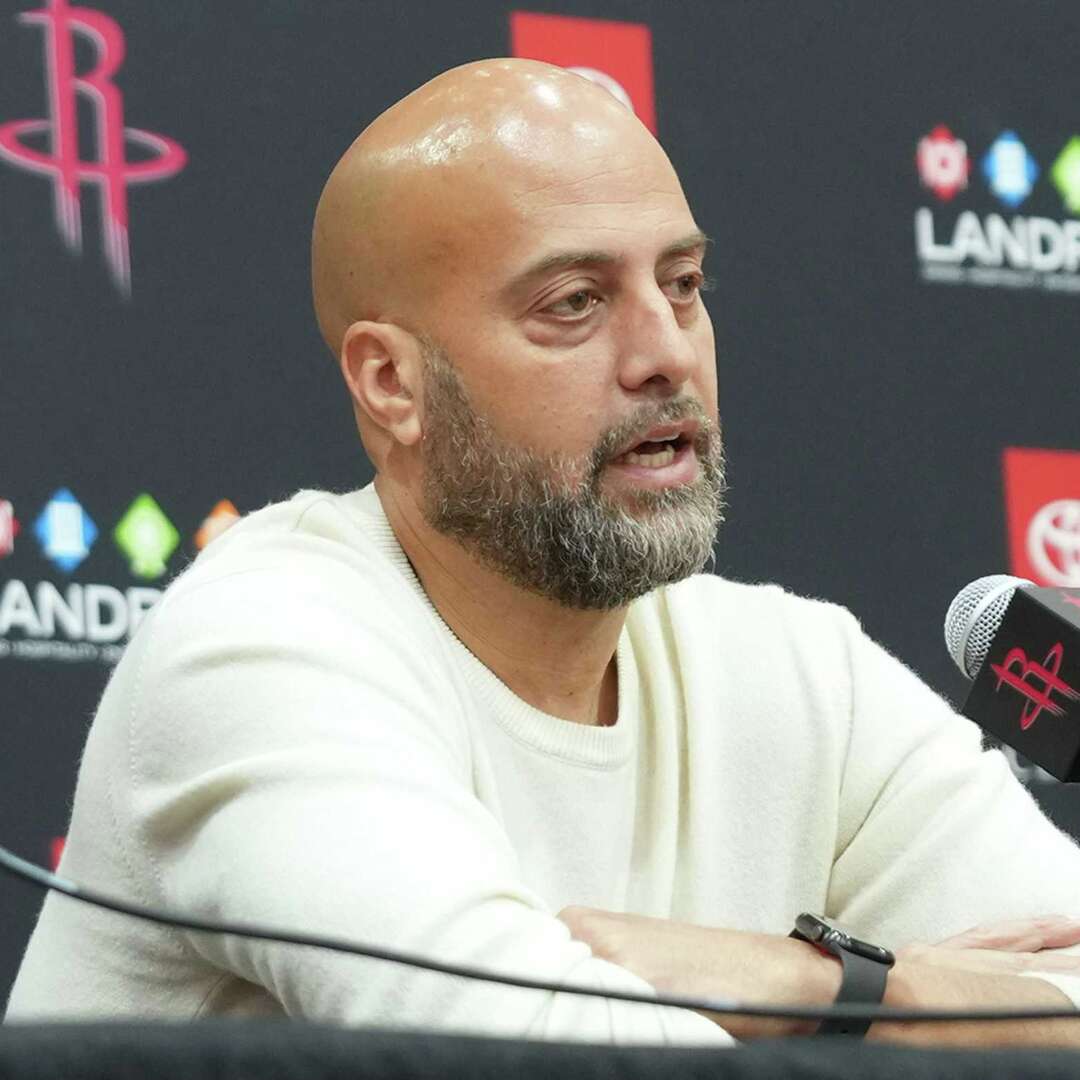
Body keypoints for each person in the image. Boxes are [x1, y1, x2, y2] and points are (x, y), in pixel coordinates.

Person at [6, 58, 1080, 1047]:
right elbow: (536, 1055)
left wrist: (812, 984)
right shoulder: (259, 652)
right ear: (393, 384)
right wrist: (933, 1012)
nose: (665, 352)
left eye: (685, 285)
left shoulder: (803, 675)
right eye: (575, 304)